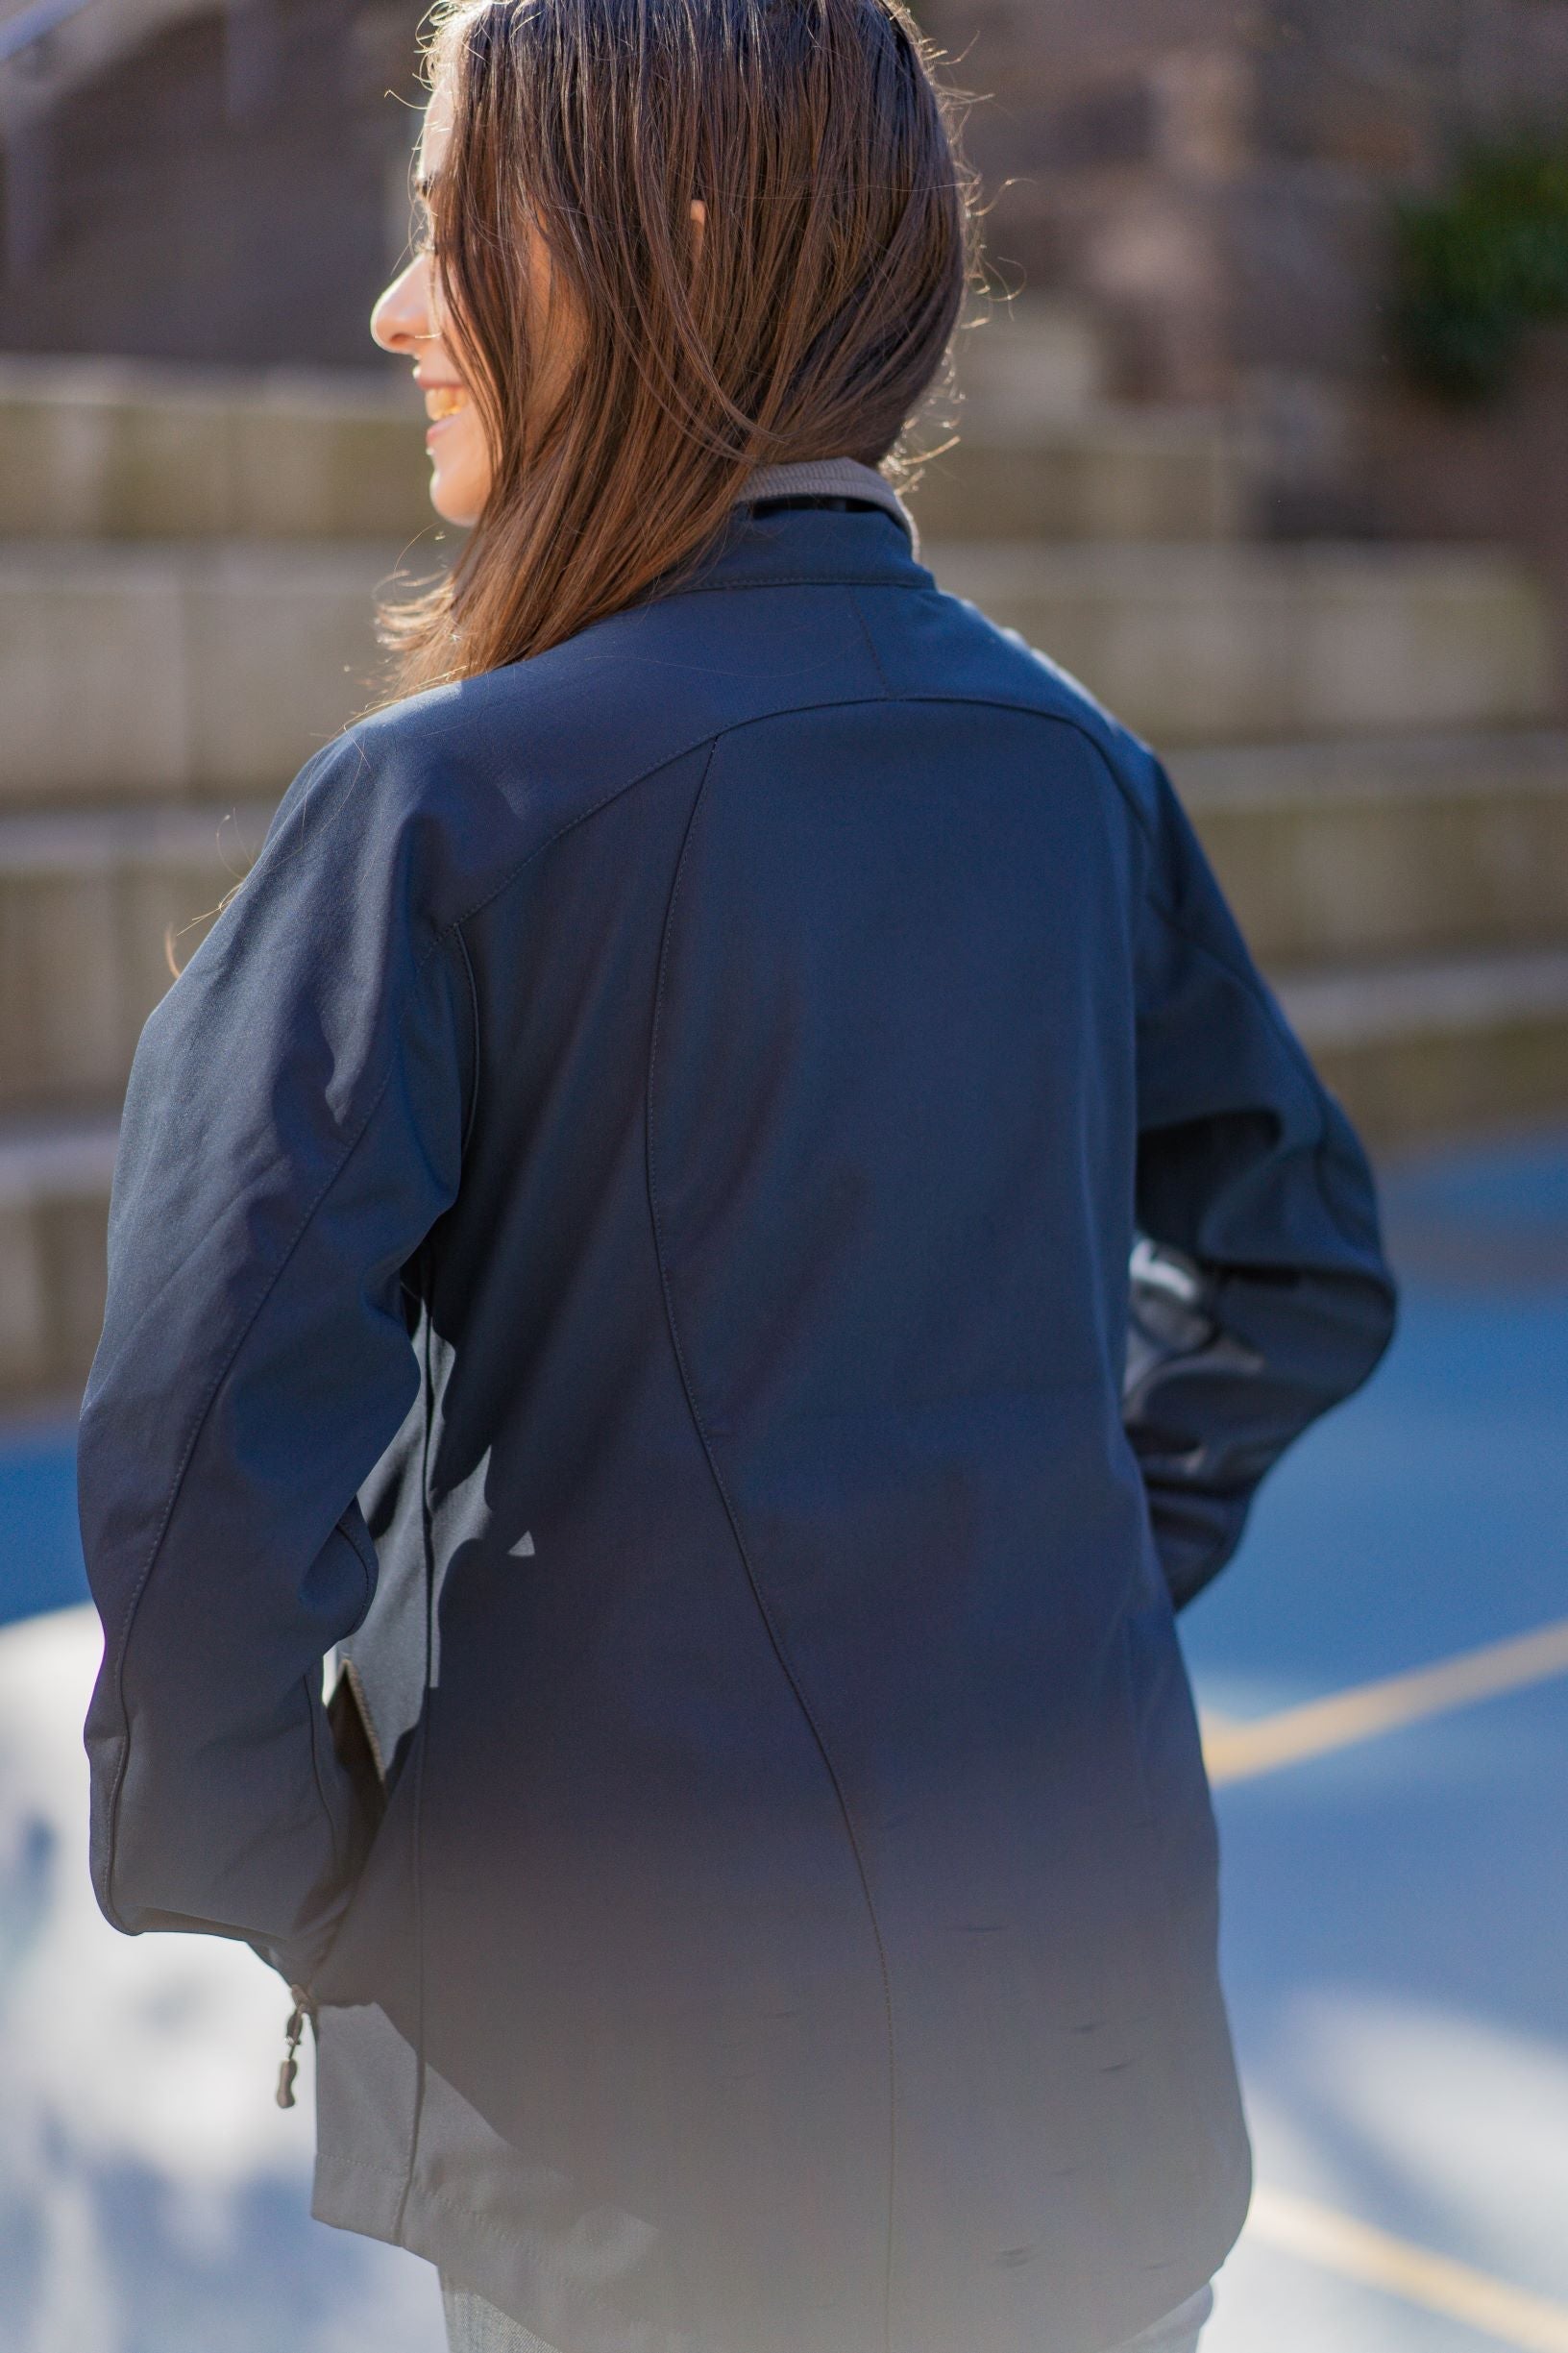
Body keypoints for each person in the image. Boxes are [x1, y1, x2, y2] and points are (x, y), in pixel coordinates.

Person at [75, 4, 1399, 2350]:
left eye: (442, 231)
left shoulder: (441, 815)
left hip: (647, 2135)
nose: (397, 310)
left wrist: (291, 1873)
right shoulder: (1074, 770)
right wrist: (1055, 1582)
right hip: (1091, 2089)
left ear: (646, 247)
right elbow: (1292, 1268)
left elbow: (196, 1449)